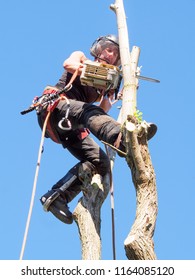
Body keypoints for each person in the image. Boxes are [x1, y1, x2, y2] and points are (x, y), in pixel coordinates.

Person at [37, 34, 157, 224]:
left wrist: (114, 93)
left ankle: (57, 197)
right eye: (109, 50)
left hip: (73, 121)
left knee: (101, 163)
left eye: (116, 54)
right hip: (57, 107)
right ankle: (119, 137)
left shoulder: (102, 87)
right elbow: (68, 64)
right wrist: (94, 72)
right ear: (99, 50)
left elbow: (100, 113)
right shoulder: (81, 57)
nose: (111, 55)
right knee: (89, 112)